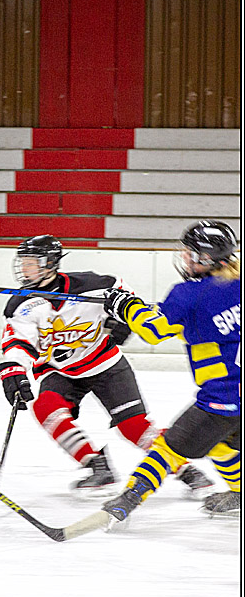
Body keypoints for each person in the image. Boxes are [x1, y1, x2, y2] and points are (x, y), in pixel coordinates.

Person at [0, 235, 213, 496]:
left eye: (31, 262)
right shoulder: (21, 304)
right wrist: (14, 371)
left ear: (51, 263)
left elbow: (128, 300)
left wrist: (124, 320)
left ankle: (186, 469)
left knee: (134, 427)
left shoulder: (94, 285)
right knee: (46, 408)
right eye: (23, 262)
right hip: (60, 371)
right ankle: (97, 466)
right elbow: (19, 343)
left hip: (106, 365)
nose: (24, 268)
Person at [101, 220, 241, 523]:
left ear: (206, 259)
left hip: (222, 401)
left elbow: (154, 331)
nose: (185, 258)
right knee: (221, 444)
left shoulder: (187, 295)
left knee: (167, 449)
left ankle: (129, 498)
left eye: (191, 253)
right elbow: (207, 325)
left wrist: (126, 308)